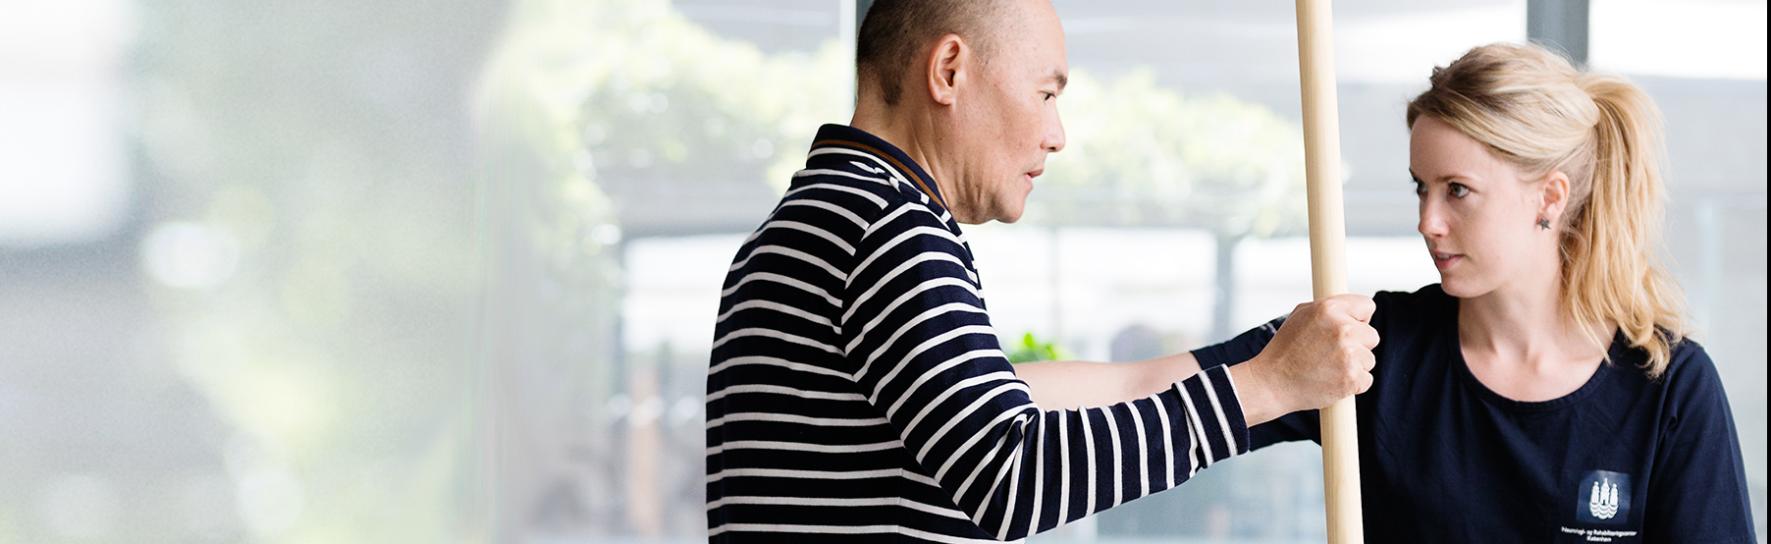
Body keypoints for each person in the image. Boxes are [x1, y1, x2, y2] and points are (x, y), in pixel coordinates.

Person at [704, 0, 1380, 540]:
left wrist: (1263, 362)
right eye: (1046, 93)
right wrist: (1260, 388)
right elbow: (1009, 474)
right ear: (948, 71)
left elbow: (1014, 399)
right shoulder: (888, 226)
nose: (1057, 135)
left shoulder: (814, 219)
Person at [1187, 43, 1756, 542]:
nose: (1427, 221)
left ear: (1549, 198)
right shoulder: (1368, 346)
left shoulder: (1669, 387)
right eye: (1421, 188)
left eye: (1457, 190)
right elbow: (1161, 389)